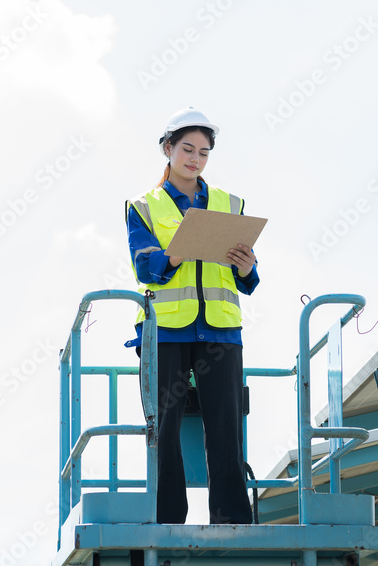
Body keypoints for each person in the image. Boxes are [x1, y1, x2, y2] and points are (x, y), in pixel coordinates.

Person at [124, 107, 258, 524]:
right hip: (166, 332)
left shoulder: (229, 204)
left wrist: (246, 266)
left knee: (226, 428)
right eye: (187, 149)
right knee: (164, 432)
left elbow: (249, 281)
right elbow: (146, 268)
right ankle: (166, 519)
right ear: (168, 149)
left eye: (203, 151)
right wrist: (180, 248)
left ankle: (232, 518)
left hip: (220, 331)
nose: (195, 159)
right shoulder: (143, 207)